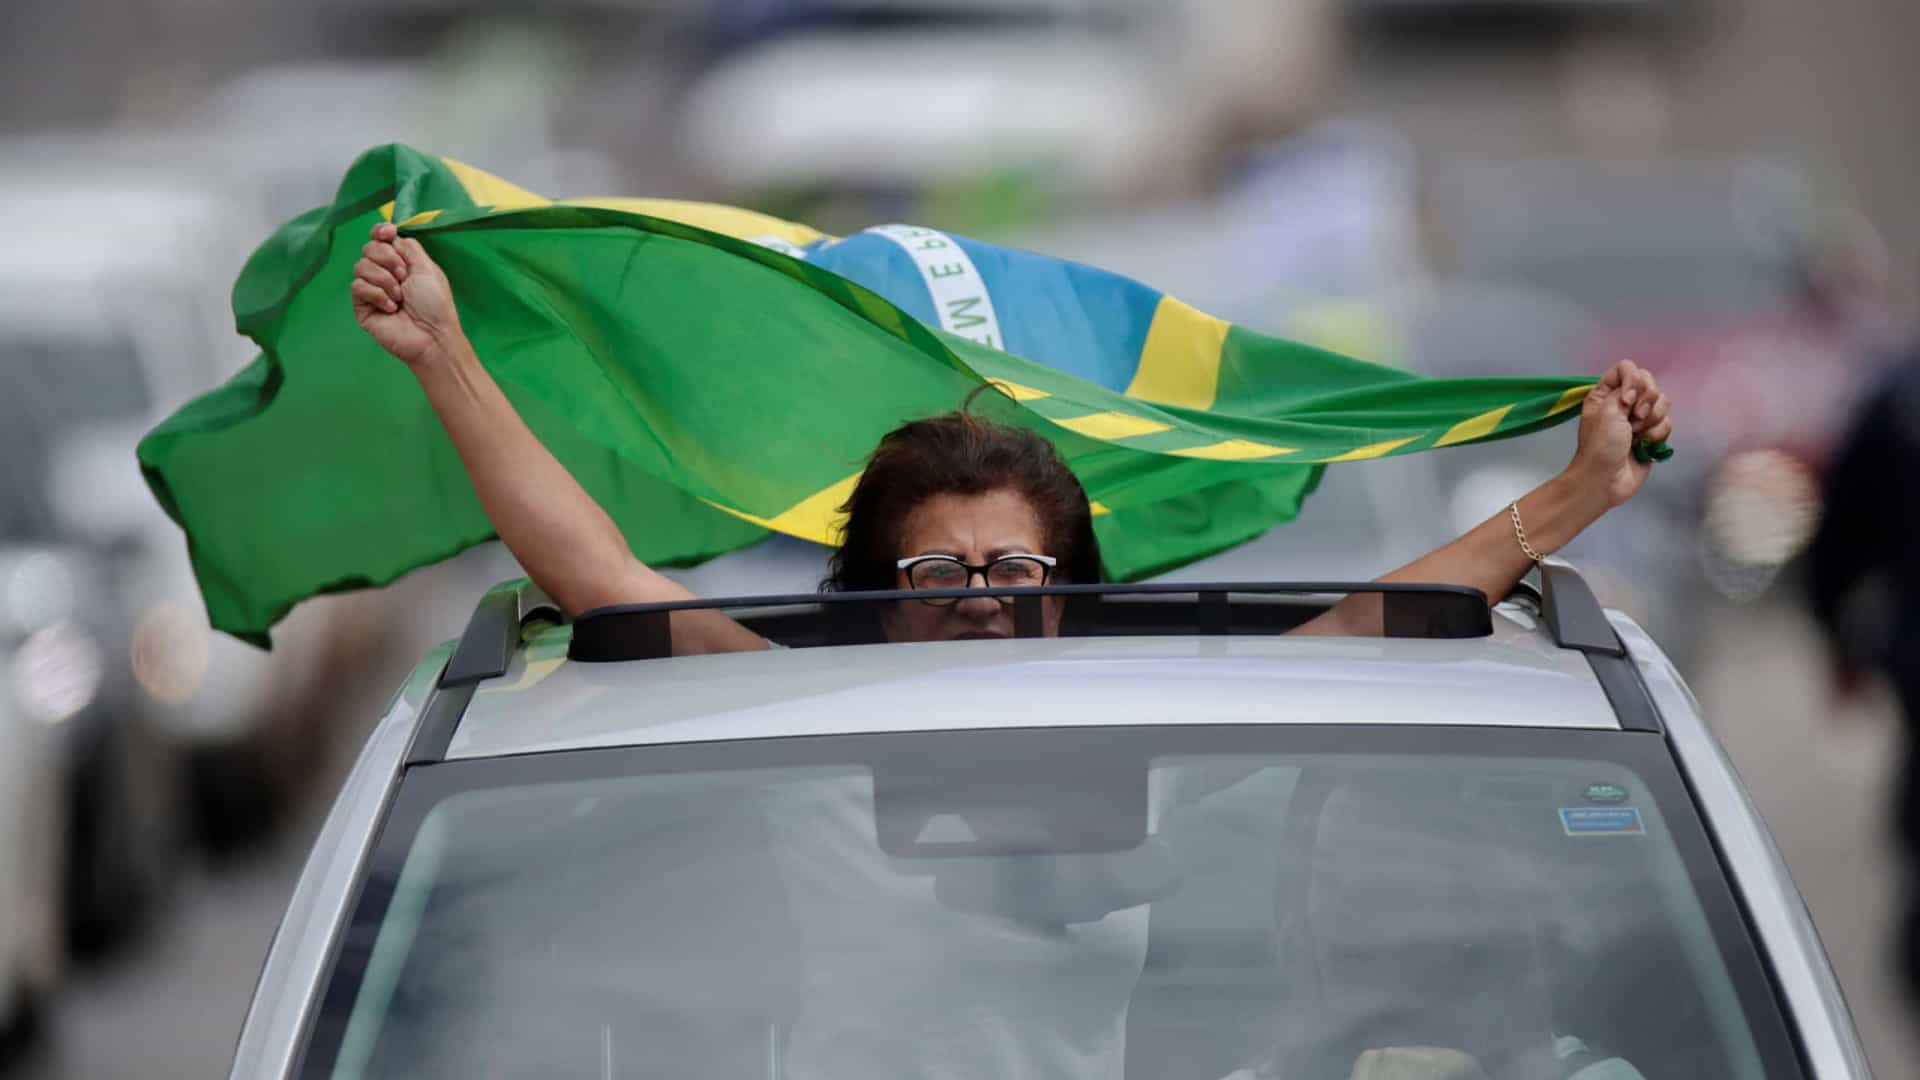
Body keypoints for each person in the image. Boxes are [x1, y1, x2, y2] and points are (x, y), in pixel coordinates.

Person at [350, 221, 1674, 646]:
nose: (982, 601)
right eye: (936, 574)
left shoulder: (1138, 718)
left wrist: (1577, 497)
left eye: (1014, 572)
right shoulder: (783, 707)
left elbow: (1362, 629)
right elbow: (598, 580)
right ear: (869, 592)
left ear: (1069, 584)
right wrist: (447, 353)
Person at [1806, 342, 1920, 1007]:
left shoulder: (1901, 396)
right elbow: (1841, 531)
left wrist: (1840, 646)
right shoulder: (1899, 398)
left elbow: (1838, 538)